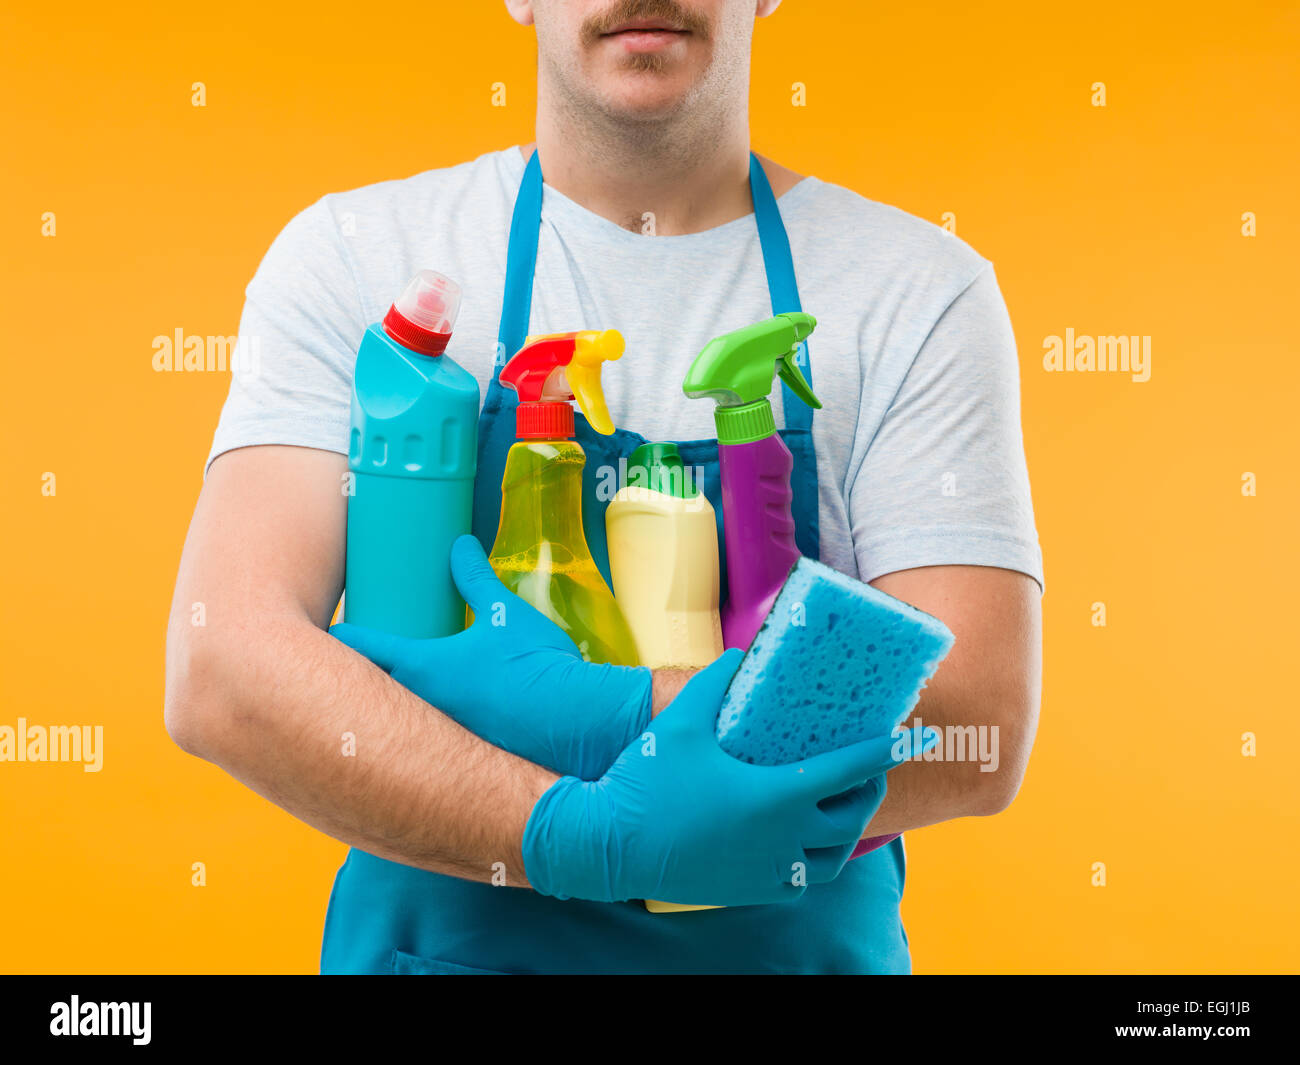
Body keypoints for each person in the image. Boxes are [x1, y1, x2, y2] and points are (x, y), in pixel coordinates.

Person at [164, 0, 1043, 975]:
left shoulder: (913, 289)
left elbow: (972, 724)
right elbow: (225, 670)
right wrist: (573, 837)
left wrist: (600, 710)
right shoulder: (356, 254)